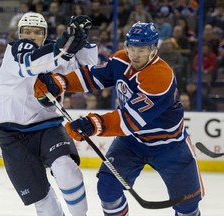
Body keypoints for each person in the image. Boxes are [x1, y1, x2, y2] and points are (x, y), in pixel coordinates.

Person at [34, 21, 204, 216]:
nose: (135, 54)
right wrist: (61, 83)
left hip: (170, 146)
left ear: (153, 49)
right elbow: (93, 77)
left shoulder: (160, 77)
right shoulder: (121, 60)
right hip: (131, 143)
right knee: (107, 188)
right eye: (131, 47)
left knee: (187, 207)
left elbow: (129, 120)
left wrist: (92, 124)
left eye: (142, 49)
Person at [0, 12, 98, 216]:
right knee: (43, 202)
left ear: (45, 35)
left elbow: (87, 72)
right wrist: (63, 47)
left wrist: (82, 43)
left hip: (48, 127)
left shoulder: (58, 54)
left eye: (37, 32)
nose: (31, 36)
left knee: (67, 169)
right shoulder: (16, 51)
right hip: (12, 138)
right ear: (19, 34)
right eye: (27, 32)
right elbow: (30, 64)